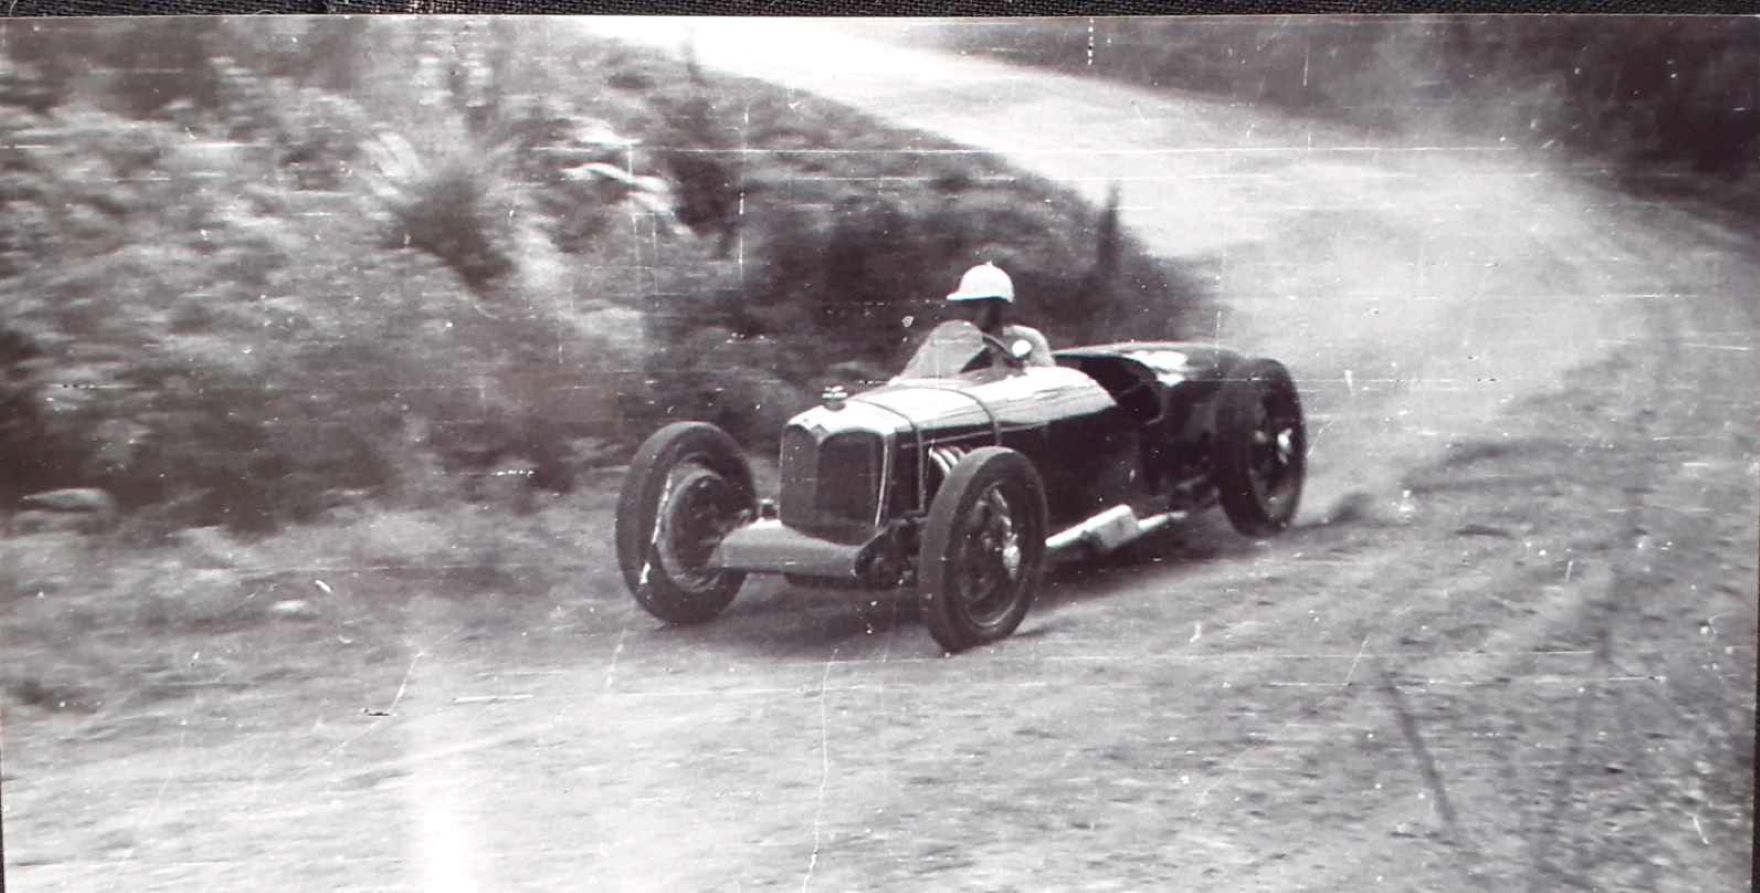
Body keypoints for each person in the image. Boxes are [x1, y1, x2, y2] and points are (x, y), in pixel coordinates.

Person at [944, 262, 1055, 368]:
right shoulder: (952, 340)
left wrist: (1022, 369)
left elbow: (1048, 379)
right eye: (966, 304)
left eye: (976, 305)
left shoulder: (1027, 338)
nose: (968, 312)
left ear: (998, 307)